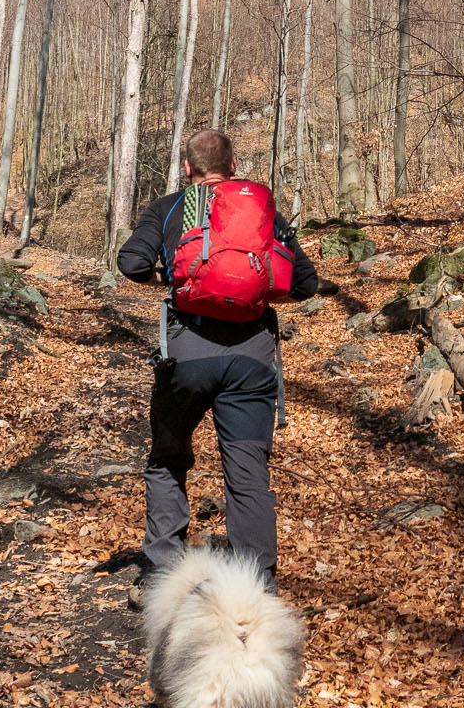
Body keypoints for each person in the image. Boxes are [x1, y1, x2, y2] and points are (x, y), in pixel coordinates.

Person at [115, 128, 328, 595]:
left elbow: (130, 263)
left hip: (186, 356)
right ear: (232, 167)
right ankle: (256, 591)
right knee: (248, 475)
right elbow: (307, 283)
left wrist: (176, 284)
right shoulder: (261, 211)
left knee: (168, 459)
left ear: (187, 170)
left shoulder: (172, 206)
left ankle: (163, 577)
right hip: (252, 360)